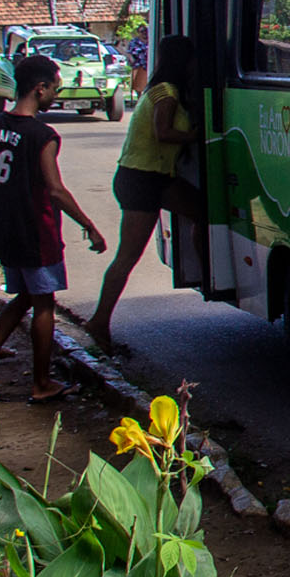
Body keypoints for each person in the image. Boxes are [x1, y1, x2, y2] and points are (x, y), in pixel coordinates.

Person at [0, 56, 106, 400]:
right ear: (40, 88)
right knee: (43, 303)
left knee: (25, 295)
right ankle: (41, 382)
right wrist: (88, 225)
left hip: (4, 226)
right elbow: (55, 190)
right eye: (54, 87)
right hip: (36, 228)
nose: (55, 94)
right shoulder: (43, 135)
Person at [85, 35, 200, 352]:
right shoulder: (167, 93)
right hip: (142, 179)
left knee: (204, 213)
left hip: (154, 177)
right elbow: (162, 132)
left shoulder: (161, 89)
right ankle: (98, 322)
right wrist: (192, 136)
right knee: (127, 257)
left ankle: (207, 273)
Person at [127, 22, 149, 96]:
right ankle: (139, 99)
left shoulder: (151, 40)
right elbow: (129, 52)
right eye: (142, 31)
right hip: (138, 65)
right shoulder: (134, 42)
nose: (144, 33)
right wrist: (132, 60)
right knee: (138, 86)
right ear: (138, 32)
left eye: (145, 31)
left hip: (148, 65)